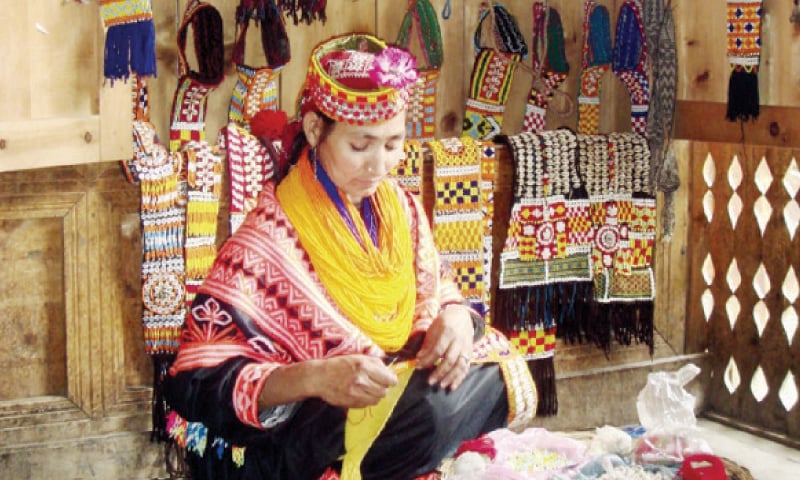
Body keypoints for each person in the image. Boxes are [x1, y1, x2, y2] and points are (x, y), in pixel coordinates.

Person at [164, 33, 537, 480]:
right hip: (303, 430)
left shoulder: (399, 207)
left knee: (500, 370)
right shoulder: (267, 239)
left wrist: (457, 318)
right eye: (360, 146)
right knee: (430, 414)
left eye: (393, 144)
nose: (379, 166)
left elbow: (438, 288)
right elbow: (197, 381)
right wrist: (317, 377)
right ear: (315, 130)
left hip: (388, 389)